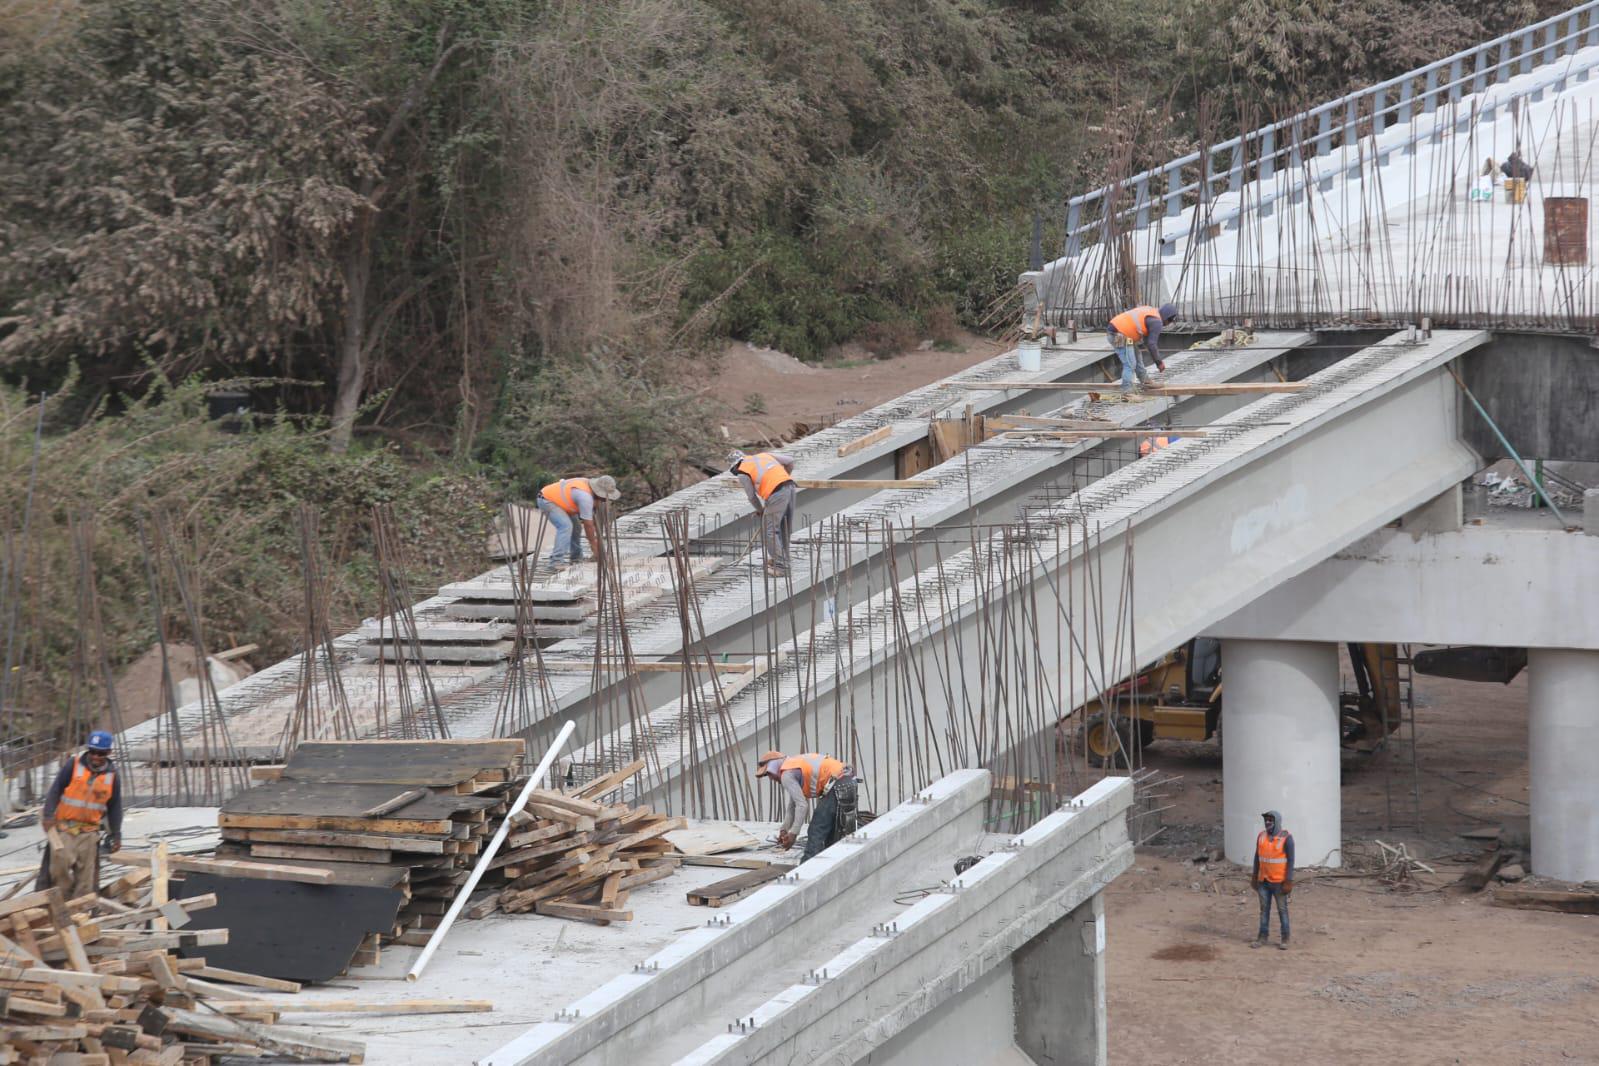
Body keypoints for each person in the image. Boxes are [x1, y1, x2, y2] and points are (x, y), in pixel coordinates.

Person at [42, 731, 123, 899]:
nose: (95, 756)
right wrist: (48, 815)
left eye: (100, 753)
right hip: (65, 829)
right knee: (59, 869)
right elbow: (55, 790)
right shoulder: (74, 765)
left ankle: (80, 913)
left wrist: (116, 834)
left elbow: (115, 807)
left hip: (89, 833)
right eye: (92, 751)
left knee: (86, 878)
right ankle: (61, 905)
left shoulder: (112, 776)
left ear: (108, 753)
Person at [755, 750, 859, 862]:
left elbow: (802, 806)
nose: (771, 779)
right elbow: (792, 806)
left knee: (816, 830)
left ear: (774, 767)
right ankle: (829, 864)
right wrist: (784, 830)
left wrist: (793, 834)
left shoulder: (786, 774)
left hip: (837, 784)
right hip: (848, 782)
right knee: (832, 831)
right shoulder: (794, 765)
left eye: (768, 773)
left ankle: (808, 868)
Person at [729, 450, 796, 577]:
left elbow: (751, 497)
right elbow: (790, 461)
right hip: (790, 487)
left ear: (734, 467)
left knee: (769, 530)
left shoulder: (743, 472)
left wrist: (760, 510)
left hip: (777, 494)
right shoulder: (763, 456)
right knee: (783, 525)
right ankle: (783, 557)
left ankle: (781, 566)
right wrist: (783, 478)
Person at [536, 475, 621, 570]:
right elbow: (588, 525)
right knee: (566, 526)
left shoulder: (590, 490)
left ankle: (576, 557)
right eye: (604, 497)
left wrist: (598, 540)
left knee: (576, 527)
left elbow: (593, 520)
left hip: (562, 501)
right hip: (547, 499)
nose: (605, 500)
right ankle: (556, 562)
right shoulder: (585, 497)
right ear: (599, 493)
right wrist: (593, 545)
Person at [1106, 304, 1179, 396]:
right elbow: (1152, 344)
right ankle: (1127, 392)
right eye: (1170, 321)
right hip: (1118, 334)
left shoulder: (1152, 312)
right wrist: (1159, 362)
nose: (1168, 324)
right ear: (1167, 317)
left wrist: (1153, 352)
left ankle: (1146, 382)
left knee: (1137, 357)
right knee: (1130, 363)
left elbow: (1147, 341)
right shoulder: (1157, 322)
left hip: (1123, 333)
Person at [1250, 809, 1294, 950]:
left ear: (1277, 822)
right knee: (1264, 910)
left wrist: (1289, 880)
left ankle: (1285, 939)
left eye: (1270, 820)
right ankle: (1262, 937)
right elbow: (1257, 858)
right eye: (1266, 820)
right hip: (1263, 881)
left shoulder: (1287, 838)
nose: (1267, 822)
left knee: (1282, 910)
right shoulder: (1261, 837)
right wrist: (1254, 876)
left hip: (1279, 883)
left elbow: (1291, 861)